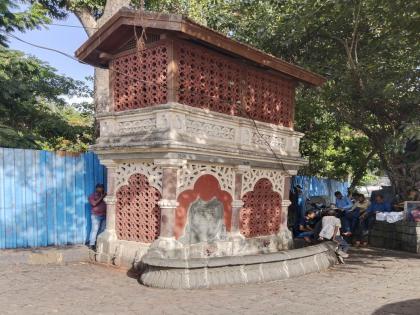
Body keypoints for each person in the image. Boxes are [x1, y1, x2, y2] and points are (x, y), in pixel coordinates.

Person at [88, 184, 107, 250]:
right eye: (99, 188)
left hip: (104, 215)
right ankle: (91, 244)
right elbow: (94, 203)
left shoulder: (106, 195)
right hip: (96, 216)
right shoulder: (92, 196)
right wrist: (102, 197)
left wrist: (104, 197)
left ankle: (98, 243)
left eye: (101, 188)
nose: (100, 190)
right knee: (94, 230)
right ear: (96, 189)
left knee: (102, 230)